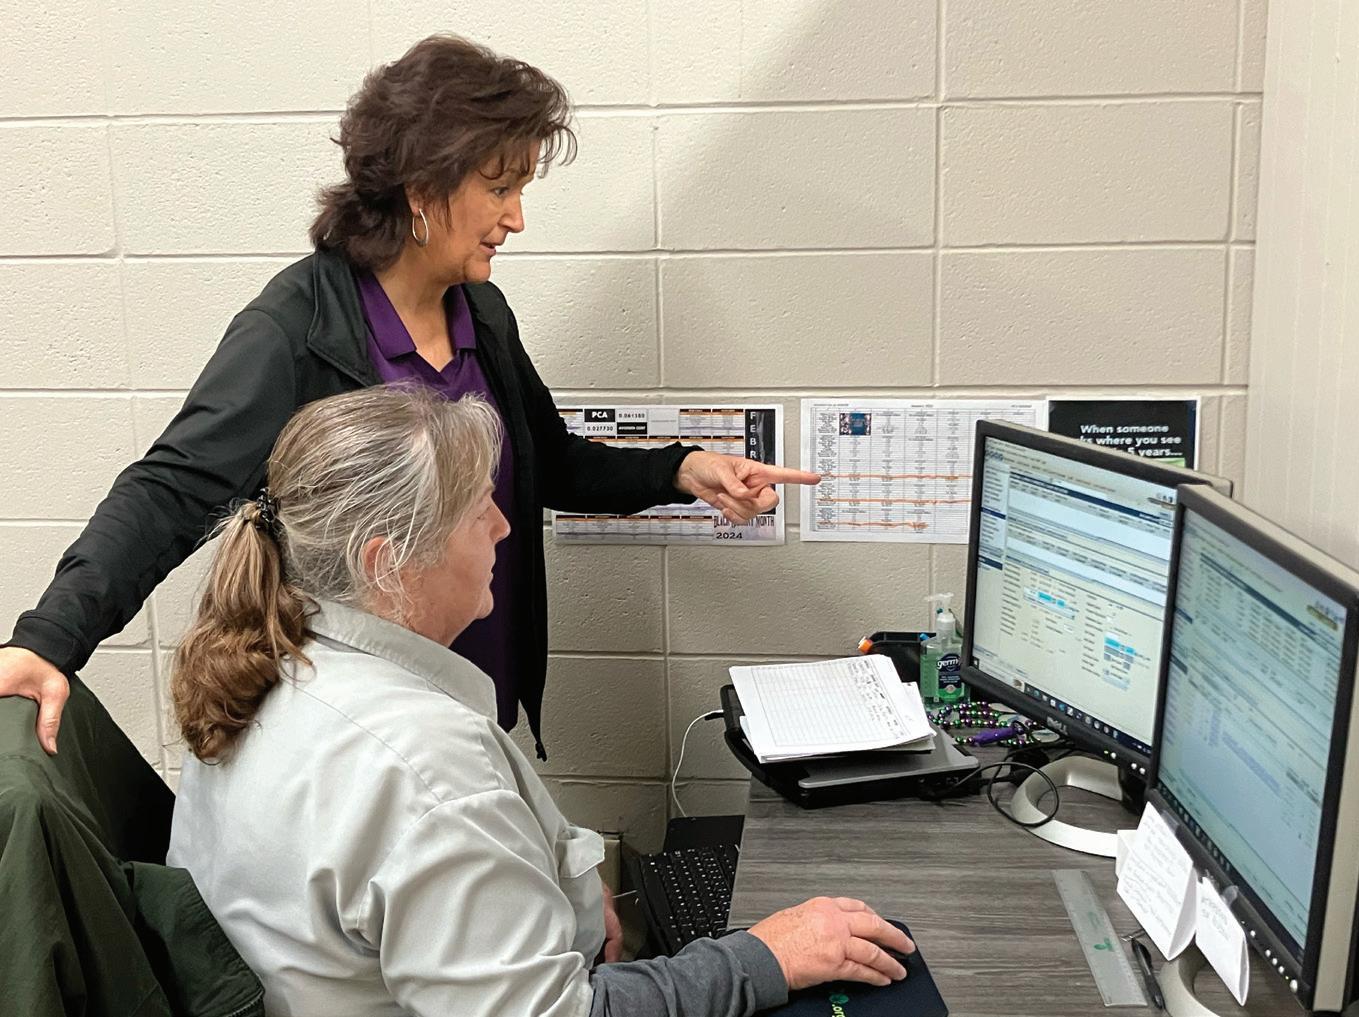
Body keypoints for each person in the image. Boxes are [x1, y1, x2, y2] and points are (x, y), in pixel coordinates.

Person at [0, 33, 817, 758]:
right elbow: (170, 490)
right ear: (424, 191)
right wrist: (49, 639)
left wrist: (682, 470)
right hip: (363, 730)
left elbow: (547, 463)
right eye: (499, 189)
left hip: (473, 700)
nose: (517, 218)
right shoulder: (296, 328)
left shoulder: (481, 312)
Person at [166, 386, 911, 1017]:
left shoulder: (264, 666)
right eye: (477, 511)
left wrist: (564, 886)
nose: (503, 526)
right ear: (388, 562)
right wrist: (763, 957)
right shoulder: (420, 763)